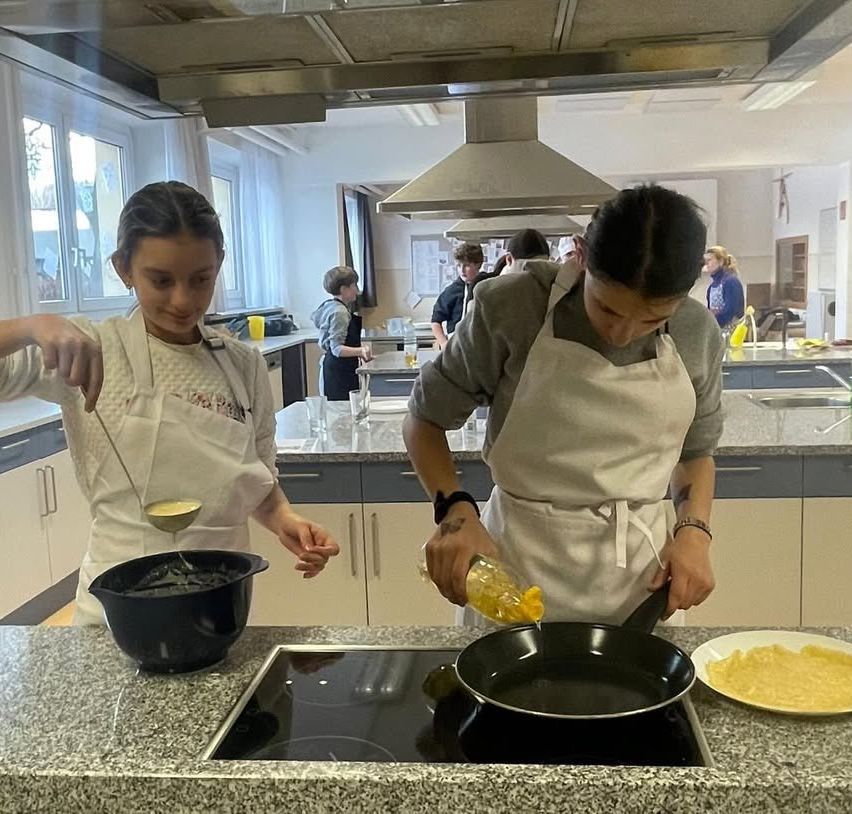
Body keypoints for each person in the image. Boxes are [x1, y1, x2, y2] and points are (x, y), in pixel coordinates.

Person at [0, 181, 339, 625]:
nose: (183, 300)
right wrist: (31, 326)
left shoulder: (242, 365)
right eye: (161, 280)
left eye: (201, 280)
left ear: (218, 266)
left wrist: (285, 519)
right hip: (116, 608)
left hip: (220, 604)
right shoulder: (90, 350)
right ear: (123, 268)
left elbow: (256, 480)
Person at [404, 185, 723, 625]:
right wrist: (455, 512)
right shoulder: (512, 308)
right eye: (607, 309)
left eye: (652, 320)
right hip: (515, 567)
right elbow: (423, 420)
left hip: (641, 585)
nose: (623, 333)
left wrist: (694, 533)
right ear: (580, 255)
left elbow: (695, 452)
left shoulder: (696, 333)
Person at [311, 266, 372, 401]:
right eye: (353, 285)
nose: (356, 290)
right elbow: (337, 349)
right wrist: (361, 351)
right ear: (343, 289)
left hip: (339, 368)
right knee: (340, 412)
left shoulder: (329, 306)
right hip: (338, 372)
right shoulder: (340, 313)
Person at [430, 242, 484, 350]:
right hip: (456, 345)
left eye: (467, 265)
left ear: (478, 265)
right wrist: (444, 343)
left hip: (480, 345)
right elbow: (436, 321)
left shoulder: (486, 286)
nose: (462, 270)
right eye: (459, 265)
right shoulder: (451, 291)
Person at [703, 245, 745, 329]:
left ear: (721, 261)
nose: (706, 264)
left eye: (709, 260)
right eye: (705, 261)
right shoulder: (711, 287)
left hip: (731, 332)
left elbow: (730, 311)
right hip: (717, 330)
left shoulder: (731, 282)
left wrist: (712, 325)